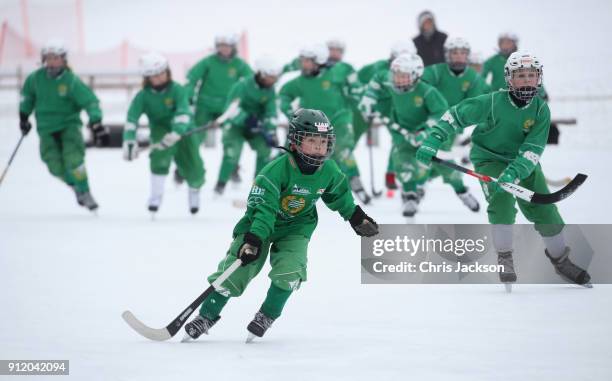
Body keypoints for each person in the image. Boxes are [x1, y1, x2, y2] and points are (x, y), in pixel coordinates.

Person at [182, 109, 379, 342]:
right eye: (312, 141)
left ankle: (267, 315)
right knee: (237, 270)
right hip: (259, 226)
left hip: (297, 227)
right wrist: (253, 239)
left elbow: (339, 195)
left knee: (290, 270)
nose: (319, 147)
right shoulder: (273, 172)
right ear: (295, 142)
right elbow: (263, 210)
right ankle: (206, 315)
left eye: (323, 142)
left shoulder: (329, 170)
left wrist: (356, 217)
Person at [416, 52, 591, 287]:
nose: (527, 80)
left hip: (523, 163)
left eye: (532, 75)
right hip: (489, 159)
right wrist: (433, 140)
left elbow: (532, 149)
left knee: (545, 210)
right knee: (502, 202)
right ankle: (505, 256)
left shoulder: (540, 110)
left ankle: (561, 261)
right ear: (509, 78)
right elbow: (455, 115)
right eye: (521, 76)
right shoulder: (491, 102)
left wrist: (515, 171)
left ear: (539, 78)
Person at [19, 39, 106, 211]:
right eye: (49, 58)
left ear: (64, 60)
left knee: (74, 160)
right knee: (54, 166)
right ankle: (75, 187)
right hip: (45, 128)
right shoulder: (35, 79)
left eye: (56, 58)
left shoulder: (71, 81)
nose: (52, 62)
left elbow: (90, 101)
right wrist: (24, 117)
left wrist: (95, 121)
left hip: (69, 126)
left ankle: (85, 190)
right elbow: (27, 98)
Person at [360, 53, 448, 217]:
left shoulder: (428, 92)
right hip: (401, 133)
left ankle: (421, 185)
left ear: (415, 75)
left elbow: (440, 114)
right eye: (396, 75)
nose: (397, 79)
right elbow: (378, 79)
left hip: (424, 134)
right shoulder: (393, 84)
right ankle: (410, 196)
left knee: (422, 167)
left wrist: (425, 132)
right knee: (402, 164)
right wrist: (369, 98)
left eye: (403, 76)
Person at [279, 45, 370, 204]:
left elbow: (356, 87)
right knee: (296, 150)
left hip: (339, 119)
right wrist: (290, 112)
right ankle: (286, 186)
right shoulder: (300, 81)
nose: (304, 64)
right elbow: (284, 93)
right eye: (302, 61)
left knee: (341, 148)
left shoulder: (338, 72)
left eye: (308, 61)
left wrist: (362, 100)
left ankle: (355, 181)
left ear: (319, 61)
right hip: (313, 125)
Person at [122, 53, 205, 215]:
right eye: (155, 75)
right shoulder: (142, 96)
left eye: (162, 72)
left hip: (185, 130)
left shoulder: (178, 90)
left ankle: (194, 192)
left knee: (194, 166)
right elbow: (132, 118)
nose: (160, 77)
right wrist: (129, 140)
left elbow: (183, 112)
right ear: (147, 78)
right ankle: (155, 196)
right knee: (159, 159)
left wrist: (176, 132)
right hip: (160, 129)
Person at [419, 37, 487, 212]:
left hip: (454, 125)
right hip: (432, 122)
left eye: (462, 53)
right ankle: (461, 191)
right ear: (447, 55)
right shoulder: (436, 71)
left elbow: (474, 103)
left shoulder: (473, 78)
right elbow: (418, 84)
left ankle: (422, 181)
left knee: (438, 157)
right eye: (454, 52)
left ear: (467, 56)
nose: (458, 56)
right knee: (440, 157)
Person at [213, 56, 282, 195]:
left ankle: (259, 185)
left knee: (266, 151)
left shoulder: (270, 90)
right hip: (235, 125)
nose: (273, 80)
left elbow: (271, 111)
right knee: (231, 153)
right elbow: (231, 108)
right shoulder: (242, 85)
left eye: (275, 77)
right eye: (270, 76)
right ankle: (220, 185)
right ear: (261, 74)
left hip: (256, 126)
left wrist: (271, 131)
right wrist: (246, 118)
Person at [358, 41, 416, 192]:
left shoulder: (414, 70)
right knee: (399, 137)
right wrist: (366, 98)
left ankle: (392, 173)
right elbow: (360, 77)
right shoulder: (380, 67)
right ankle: (391, 174)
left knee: (400, 138)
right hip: (384, 106)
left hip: (399, 104)